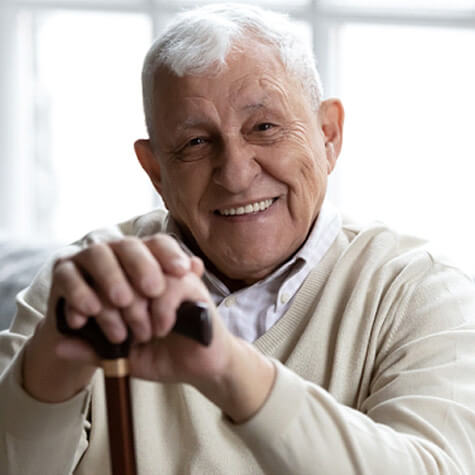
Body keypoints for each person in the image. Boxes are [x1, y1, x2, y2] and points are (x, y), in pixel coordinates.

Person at [1, 3, 475, 474]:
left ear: (328, 136)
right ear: (156, 172)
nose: (235, 173)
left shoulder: (421, 290)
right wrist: (50, 369)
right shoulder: (89, 280)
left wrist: (228, 367)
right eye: (195, 143)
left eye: (264, 127)